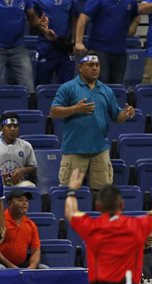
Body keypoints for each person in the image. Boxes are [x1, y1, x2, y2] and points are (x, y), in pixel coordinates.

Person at [50, 52, 137, 187]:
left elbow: (116, 116)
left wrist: (125, 114)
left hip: (100, 150)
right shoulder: (68, 87)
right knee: (70, 194)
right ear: (80, 67)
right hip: (74, 150)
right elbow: (54, 112)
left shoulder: (106, 90)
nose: (95, 68)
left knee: (102, 195)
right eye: (90, 65)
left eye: (97, 65)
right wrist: (75, 109)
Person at [74, 0, 140, 86]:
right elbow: (83, 18)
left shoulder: (131, 2)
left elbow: (136, 18)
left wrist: (134, 25)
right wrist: (78, 42)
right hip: (99, 49)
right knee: (99, 86)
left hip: (120, 51)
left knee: (117, 88)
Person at [30, 0, 79, 86]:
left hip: (65, 49)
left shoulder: (71, 1)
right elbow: (33, 20)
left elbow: (75, 20)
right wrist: (45, 31)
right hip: (45, 47)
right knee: (42, 84)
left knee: (67, 86)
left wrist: (74, 42)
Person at [0, 2, 40, 92]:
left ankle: (29, 105)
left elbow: (33, 20)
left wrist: (41, 25)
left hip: (19, 49)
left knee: (29, 89)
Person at [0, 188, 44, 269]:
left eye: (26, 201)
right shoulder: (1, 221)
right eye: (20, 200)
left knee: (44, 268)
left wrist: (32, 267)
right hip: (2, 264)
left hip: (22, 265)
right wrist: (10, 266)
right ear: (10, 203)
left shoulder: (31, 225)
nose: (24, 203)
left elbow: (36, 250)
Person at [0, 112, 36, 188]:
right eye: (9, 126)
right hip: (1, 184)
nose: (13, 129)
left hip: (19, 183)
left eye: (15, 126)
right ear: (1, 128)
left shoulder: (26, 145)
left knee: (31, 187)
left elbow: (33, 168)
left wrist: (22, 170)